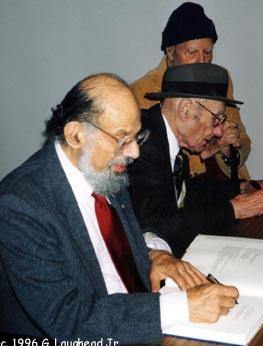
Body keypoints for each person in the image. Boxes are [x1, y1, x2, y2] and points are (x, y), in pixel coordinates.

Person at [0, 73, 239, 344]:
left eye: (136, 136)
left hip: (132, 320)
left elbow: (115, 243)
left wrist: (153, 254)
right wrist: (181, 307)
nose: (135, 152)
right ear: (75, 135)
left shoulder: (102, 170)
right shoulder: (21, 206)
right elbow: (69, 320)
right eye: (122, 138)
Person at [128, 63, 263, 258]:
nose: (218, 131)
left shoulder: (166, 138)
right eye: (216, 120)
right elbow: (158, 227)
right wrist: (235, 209)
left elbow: (187, 193)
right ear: (185, 109)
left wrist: (242, 186)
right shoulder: (143, 145)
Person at [131, 2, 251, 181]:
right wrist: (209, 149)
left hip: (228, 180)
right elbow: (151, 166)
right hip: (187, 192)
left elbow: (243, 140)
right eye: (192, 52)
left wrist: (228, 149)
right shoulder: (141, 92)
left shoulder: (219, 77)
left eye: (208, 52)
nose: (202, 62)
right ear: (170, 51)